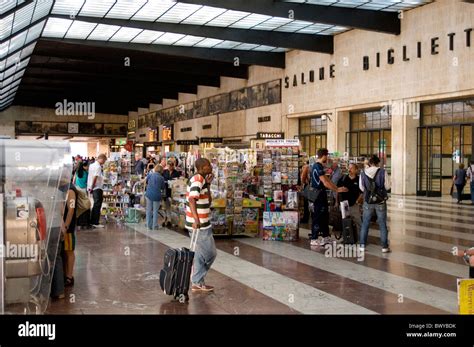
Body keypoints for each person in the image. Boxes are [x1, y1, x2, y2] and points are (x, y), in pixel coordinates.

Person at [186, 158, 216, 292]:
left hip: (203, 223)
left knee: (199, 255)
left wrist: (208, 185)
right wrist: (196, 219)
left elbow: (208, 202)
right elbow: (192, 199)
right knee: (211, 253)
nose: (211, 167)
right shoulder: (198, 179)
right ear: (203, 167)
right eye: (208, 166)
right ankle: (197, 279)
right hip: (200, 225)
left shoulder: (202, 180)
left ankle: (197, 282)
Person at [310, 148, 348, 247]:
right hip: (318, 195)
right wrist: (336, 190)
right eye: (327, 156)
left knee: (324, 216)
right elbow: (325, 182)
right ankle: (314, 238)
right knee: (318, 216)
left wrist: (337, 188)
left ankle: (325, 237)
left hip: (321, 194)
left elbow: (328, 180)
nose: (328, 158)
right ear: (324, 156)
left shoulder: (320, 166)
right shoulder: (317, 166)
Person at [359, 154, 391, 253]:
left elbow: (361, 188)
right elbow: (387, 186)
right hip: (380, 200)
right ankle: (384, 246)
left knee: (365, 223)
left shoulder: (363, 172)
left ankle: (362, 245)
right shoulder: (382, 172)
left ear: (370, 163)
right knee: (382, 224)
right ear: (378, 163)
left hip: (368, 201)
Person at [337, 163, 363, 235]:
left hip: (354, 204)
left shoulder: (359, 179)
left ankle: (360, 237)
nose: (349, 170)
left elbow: (362, 192)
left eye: (351, 168)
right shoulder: (343, 178)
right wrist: (337, 202)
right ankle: (347, 237)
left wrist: (358, 201)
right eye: (349, 168)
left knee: (358, 221)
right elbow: (337, 190)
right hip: (344, 204)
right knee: (345, 221)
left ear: (356, 170)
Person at [62, 184, 78, 287]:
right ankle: (65, 274)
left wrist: (66, 226)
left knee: (69, 251)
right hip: (64, 226)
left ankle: (69, 276)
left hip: (68, 227)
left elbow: (71, 210)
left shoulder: (70, 190)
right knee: (65, 251)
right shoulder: (64, 188)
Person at [87, 153, 107, 228]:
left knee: (95, 204)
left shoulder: (91, 165)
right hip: (97, 187)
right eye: (104, 161)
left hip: (92, 187)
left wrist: (90, 187)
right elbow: (95, 177)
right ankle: (95, 222)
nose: (104, 162)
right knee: (97, 205)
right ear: (101, 159)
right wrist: (93, 187)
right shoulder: (98, 167)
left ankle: (93, 221)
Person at [145, 165, 166, 230]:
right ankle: (155, 226)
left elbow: (146, 181)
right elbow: (163, 187)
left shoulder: (150, 175)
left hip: (149, 194)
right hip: (157, 195)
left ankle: (148, 225)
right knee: (155, 211)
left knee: (148, 210)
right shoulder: (161, 178)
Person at [162, 159, 182, 227]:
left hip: (173, 191)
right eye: (169, 166)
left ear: (173, 166)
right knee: (165, 205)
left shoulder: (176, 172)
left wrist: (174, 182)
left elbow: (178, 181)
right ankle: (166, 218)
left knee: (172, 205)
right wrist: (166, 181)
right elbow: (162, 179)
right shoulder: (164, 172)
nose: (170, 167)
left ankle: (170, 219)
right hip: (166, 190)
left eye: (171, 166)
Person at [73, 161, 90, 228]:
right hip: (83, 190)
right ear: (84, 166)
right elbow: (87, 181)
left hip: (77, 189)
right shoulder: (86, 173)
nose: (88, 167)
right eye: (87, 166)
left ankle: (78, 221)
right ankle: (84, 221)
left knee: (79, 205)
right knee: (85, 205)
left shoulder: (76, 173)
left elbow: (73, 181)